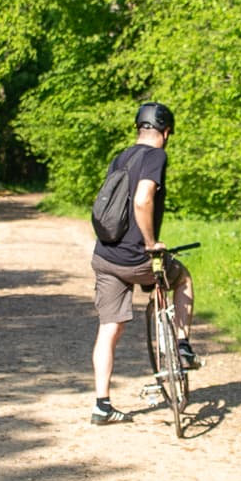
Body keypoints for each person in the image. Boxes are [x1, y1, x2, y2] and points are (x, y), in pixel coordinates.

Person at [90, 101, 197, 424]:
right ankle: (182, 345)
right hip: (137, 258)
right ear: (166, 132)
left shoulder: (120, 157)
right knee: (182, 279)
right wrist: (151, 244)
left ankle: (102, 406)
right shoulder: (156, 156)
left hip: (105, 256)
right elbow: (142, 198)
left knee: (109, 328)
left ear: (139, 127)